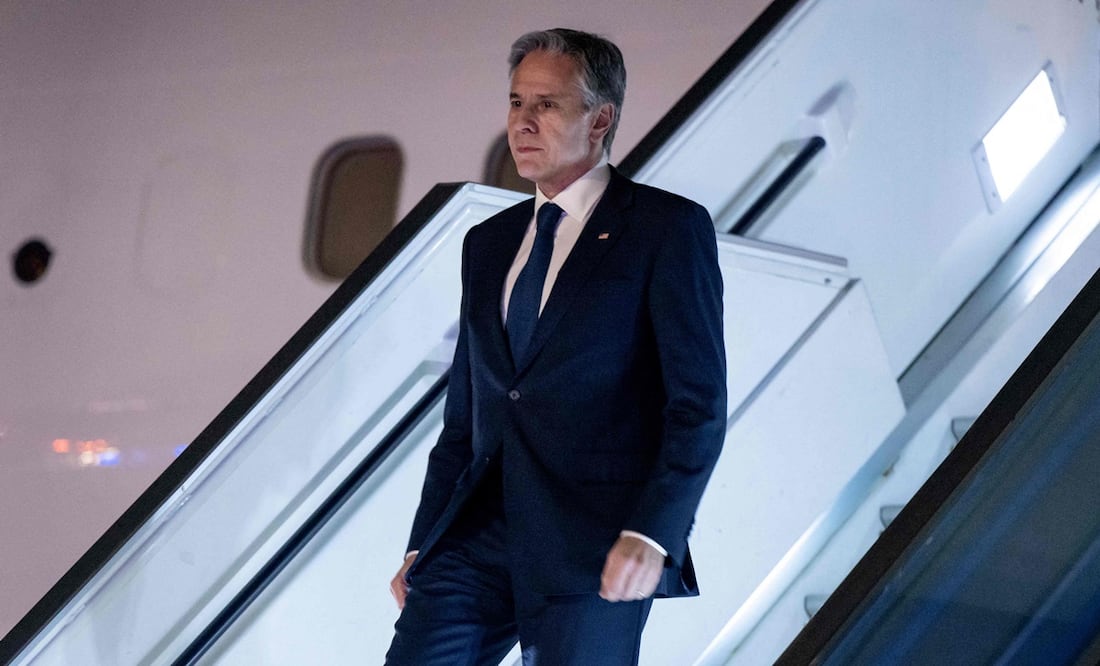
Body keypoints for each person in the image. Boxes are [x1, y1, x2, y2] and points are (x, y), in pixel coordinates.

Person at [386, 28, 726, 664]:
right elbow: (466, 414)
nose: (523, 122)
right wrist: (422, 541)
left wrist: (656, 532)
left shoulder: (665, 228)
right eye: (517, 103)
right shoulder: (486, 244)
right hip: (474, 538)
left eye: (547, 105)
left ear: (600, 119)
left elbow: (697, 405)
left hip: (593, 540)